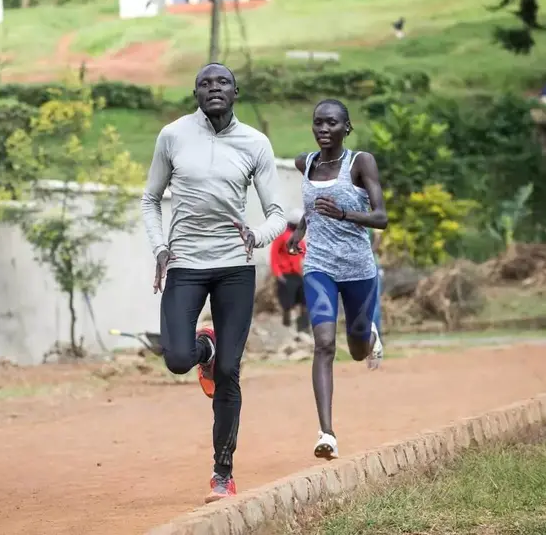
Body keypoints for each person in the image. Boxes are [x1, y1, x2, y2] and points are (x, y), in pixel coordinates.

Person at [140, 62, 286, 503]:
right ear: (196, 93)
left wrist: (256, 236)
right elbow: (150, 199)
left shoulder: (255, 143)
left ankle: (223, 473)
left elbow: (277, 213)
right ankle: (204, 345)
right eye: (205, 83)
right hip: (185, 263)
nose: (214, 88)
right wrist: (160, 248)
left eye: (222, 82)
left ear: (236, 91)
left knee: (229, 372)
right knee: (177, 358)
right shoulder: (173, 136)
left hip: (234, 267)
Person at [286, 98, 388, 461]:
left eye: (331, 123)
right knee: (324, 344)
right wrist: (300, 232)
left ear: (347, 127)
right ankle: (326, 432)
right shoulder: (306, 163)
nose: (323, 129)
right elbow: (314, 208)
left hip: (358, 267)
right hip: (319, 266)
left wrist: (345, 213)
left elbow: (381, 217)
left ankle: (370, 336)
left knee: (357, 348)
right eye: (317, 123)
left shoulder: (361, 163)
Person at [270, 208, 310, 333]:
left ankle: (303, 329)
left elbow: (304, 253)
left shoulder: (299, 238)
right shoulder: (282, 237)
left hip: (298, 275)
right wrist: (278, 273)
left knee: (304, 303)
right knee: (287, 305)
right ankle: (286, 331)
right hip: (285, 275)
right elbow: (274, 256)